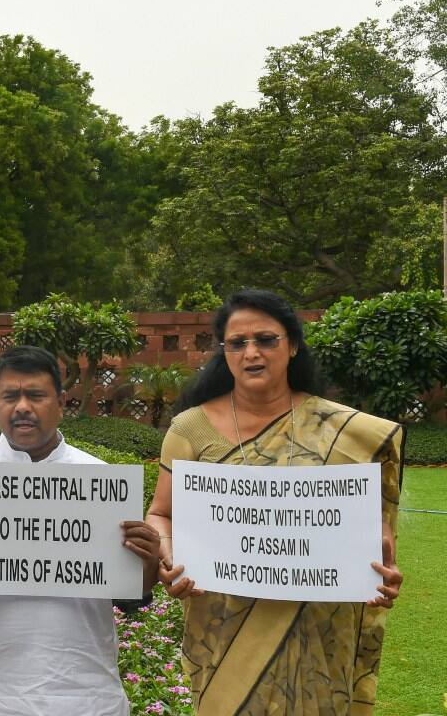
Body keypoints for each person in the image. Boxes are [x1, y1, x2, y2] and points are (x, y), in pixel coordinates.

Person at [146, 289, 404, 715]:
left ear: (293, 345)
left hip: (319, 627)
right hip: (223, 627)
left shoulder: (344, 431)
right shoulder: (190, 429)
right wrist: (169, 556)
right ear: (224, 351)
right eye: (237, 343)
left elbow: (365, 524)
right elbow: (160, 513)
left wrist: (374, 561)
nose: (252, 353)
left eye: (266, 339)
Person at [0, 345, 159, 715]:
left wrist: (147, 567)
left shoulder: (101, 482)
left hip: (85, 693)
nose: (22, 407)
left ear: (61, 403)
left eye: (36, 395)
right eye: (10, 396)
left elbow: (131, 594)